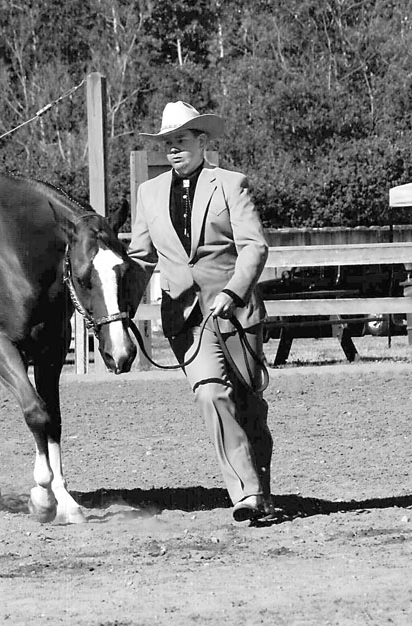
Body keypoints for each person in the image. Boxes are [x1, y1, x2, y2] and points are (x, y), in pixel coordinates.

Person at [127, 101, 274, 522]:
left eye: (182, 140)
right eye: (168, 142)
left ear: (202, 142)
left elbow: (254, 246)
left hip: (234, 313)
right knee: (211, 393)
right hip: (184, 317)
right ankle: (246, 495)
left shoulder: (230, 184)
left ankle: (261, 484)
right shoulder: (148, 194)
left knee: (247, 404)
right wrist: (119, 310)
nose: (174, 149)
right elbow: (141, 258)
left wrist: (234, 290)